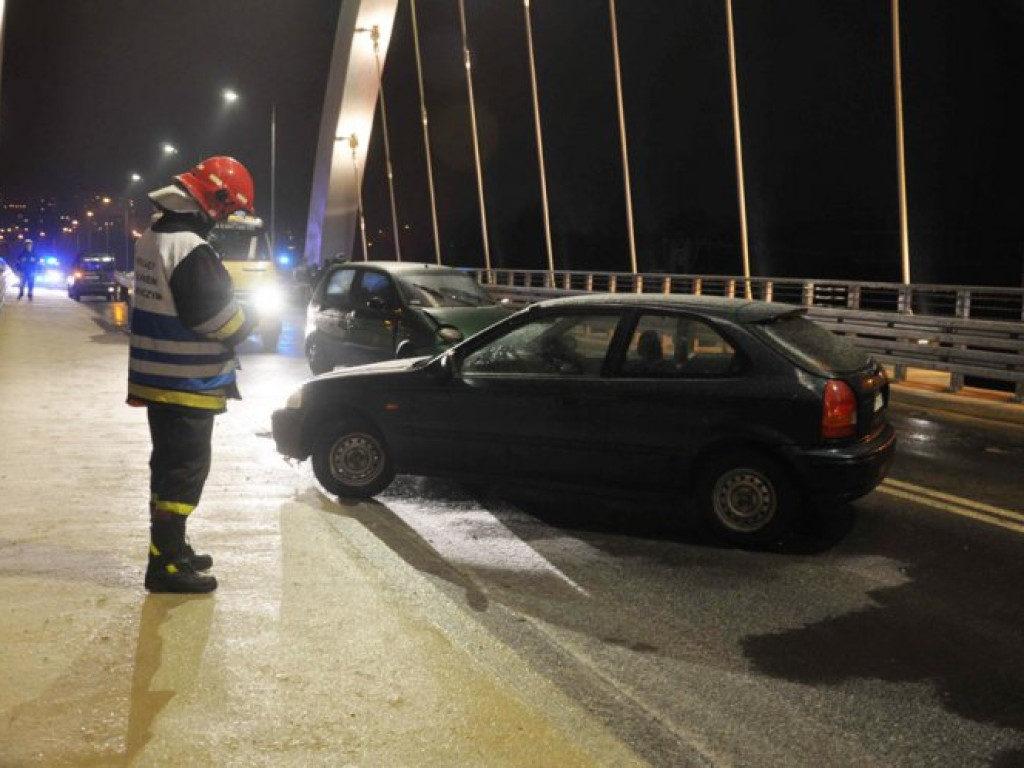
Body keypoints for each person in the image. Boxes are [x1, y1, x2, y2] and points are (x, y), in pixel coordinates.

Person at [127, 156, 258, 594]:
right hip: (187, 381)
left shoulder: (155, 235)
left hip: (159, 376)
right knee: (185, 471)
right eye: (227, 208)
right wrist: (247, 321)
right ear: (214, 199)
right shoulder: (191, 248)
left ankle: (170, 548)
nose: (224, 218)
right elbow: (216, 318)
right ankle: (166, 566)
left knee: (167, 467)